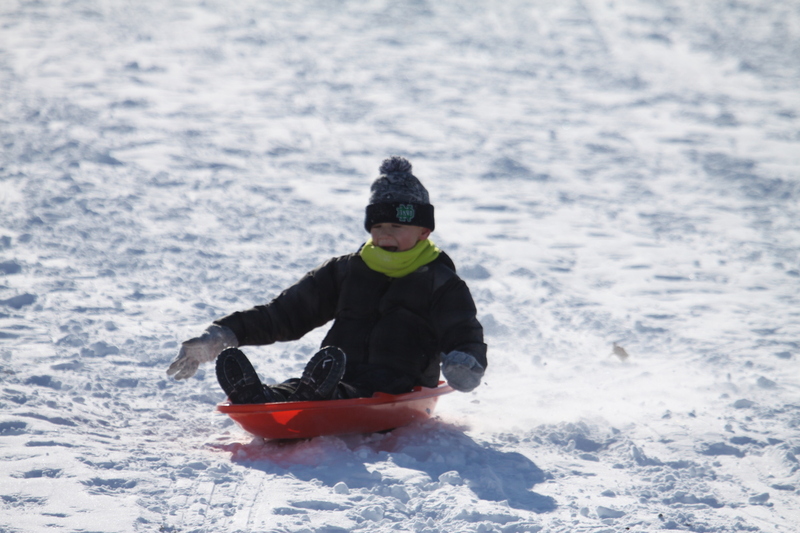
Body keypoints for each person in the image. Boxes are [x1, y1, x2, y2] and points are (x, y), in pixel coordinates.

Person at [166, 156, 487, 403]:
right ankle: (262, 397)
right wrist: (225, 333)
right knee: (305, 386)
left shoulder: (441, 283)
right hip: (334, 370)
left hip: (398, 381)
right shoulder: (346, 271)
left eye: (396, 227)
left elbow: (462, 331)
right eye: (378, 227)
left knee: (347, 389)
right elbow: (286, 313)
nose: (385, 233)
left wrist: (465, 363)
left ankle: (316, 396)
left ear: (424, 231)